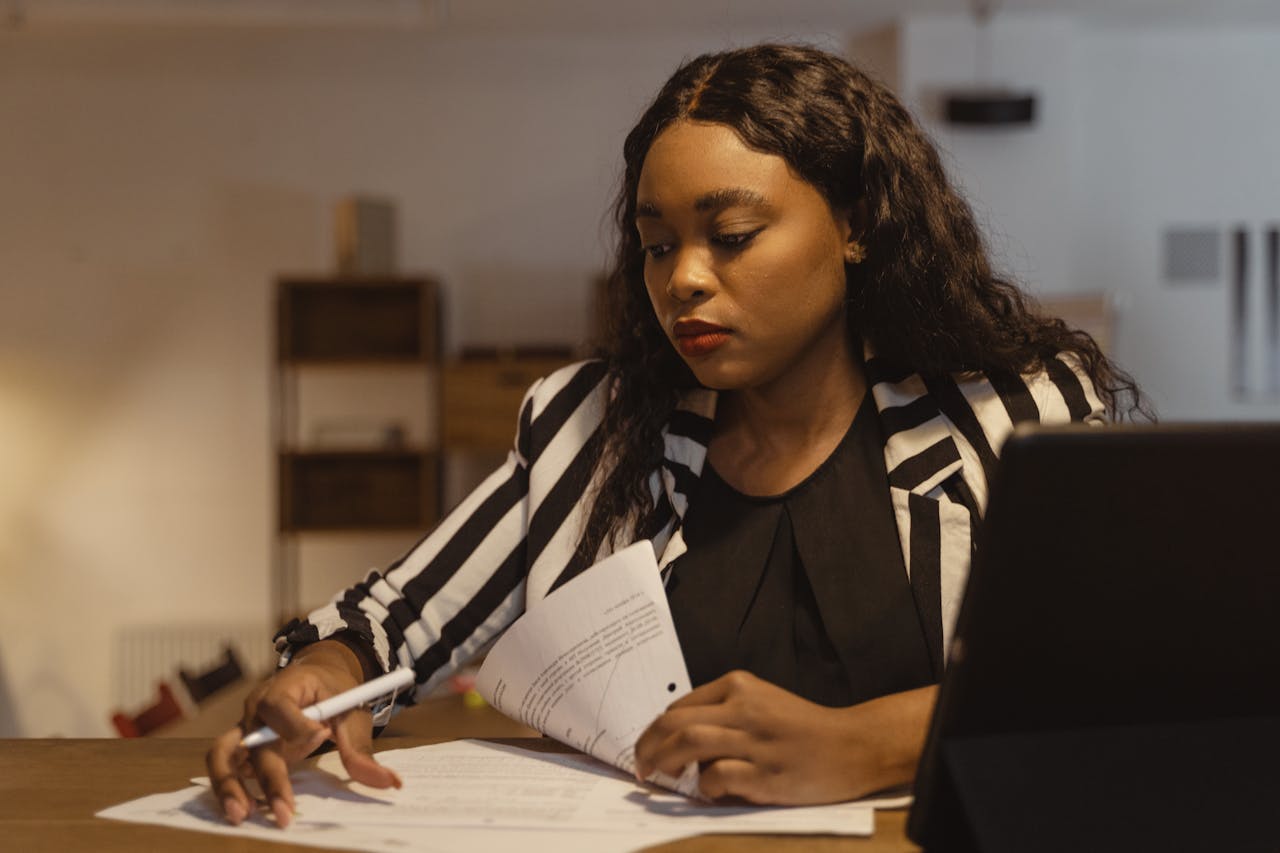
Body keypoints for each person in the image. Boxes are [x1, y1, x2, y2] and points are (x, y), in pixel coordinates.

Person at [208, 42, 1145, 827]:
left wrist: (864, 742)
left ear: (856, 226)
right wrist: (314, 685)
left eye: (731, 234)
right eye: (658, 245)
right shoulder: (595, 427)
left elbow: (1121, 675)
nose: (683, 280)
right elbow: (389, 623)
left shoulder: (1011, 416)